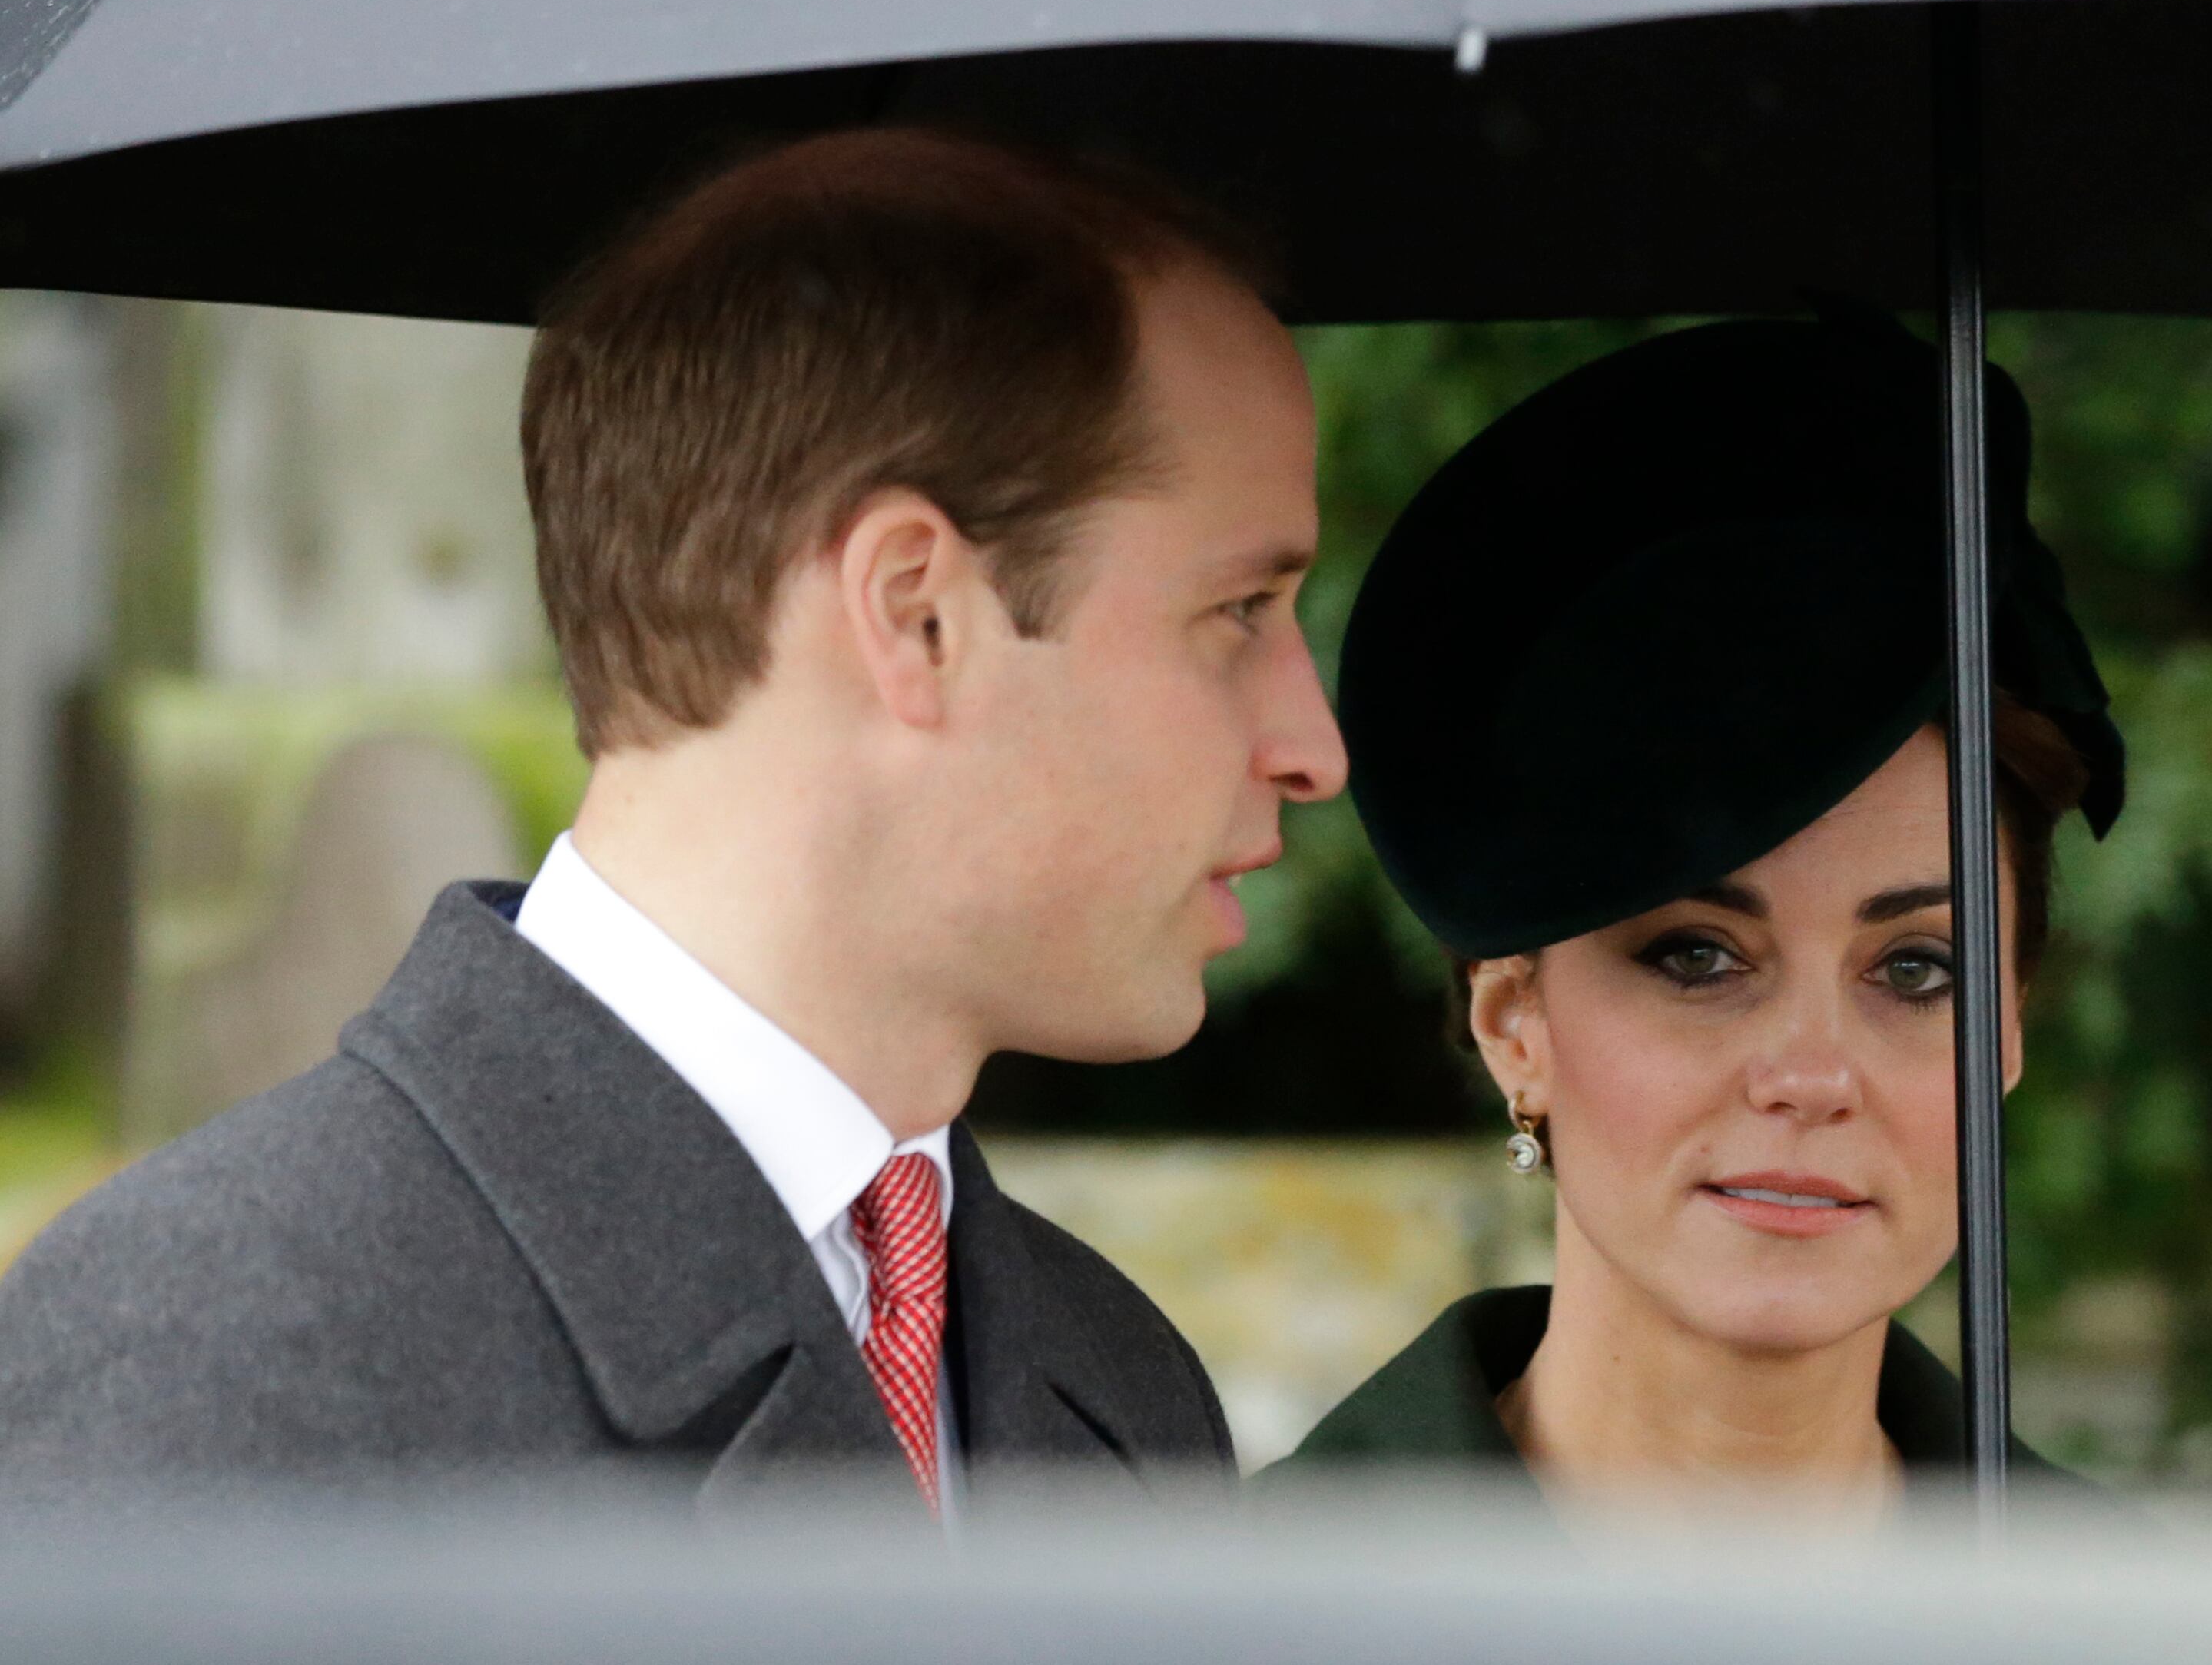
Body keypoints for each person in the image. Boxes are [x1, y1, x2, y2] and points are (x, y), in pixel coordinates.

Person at [0, 129, 1347, 1514]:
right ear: (916, 613)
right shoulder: (223, 1363)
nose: (1315, 749)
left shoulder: (1119, 1385)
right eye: (1239, 611)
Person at [1263, 317, 2121, 1517]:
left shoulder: (2140, 1620)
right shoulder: (1227, 1612)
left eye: (1916, 970)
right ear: (1514, 1020)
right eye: (1702, 957)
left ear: (2010, 1031)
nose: (1811, 1076)